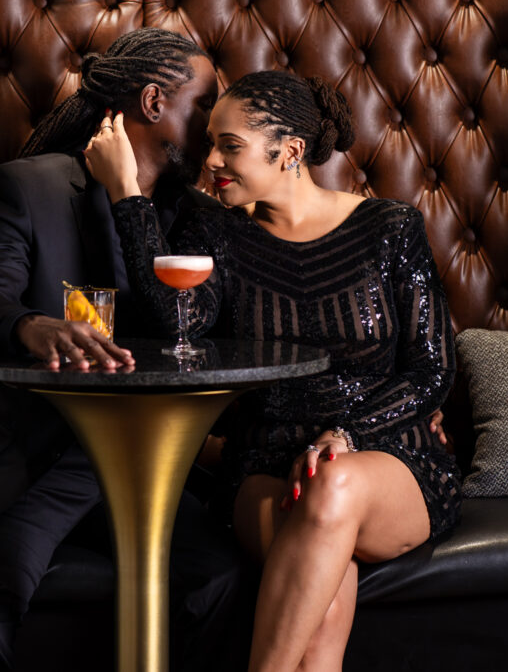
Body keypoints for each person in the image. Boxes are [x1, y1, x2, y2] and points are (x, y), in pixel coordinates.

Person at [84, 69, 462, 671]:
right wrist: (128, 196)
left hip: (387, 457)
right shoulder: (219, 230)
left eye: (229, 146)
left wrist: (348, 436)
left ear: (289, 152)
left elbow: (430, 371)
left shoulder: (390, 228)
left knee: (332, 484)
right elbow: (177, 323)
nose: (211, 160)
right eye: (211, 142)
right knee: (322, 580)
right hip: (263, 466)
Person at [0, 28, 245, 672]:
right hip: (33, 466)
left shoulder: (200, 217)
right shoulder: (27, 188)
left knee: (222, 579)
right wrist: (30, 327)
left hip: (141, 470)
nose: (217, 122)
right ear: (154, 103)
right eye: (207, 101)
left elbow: (198, 325)